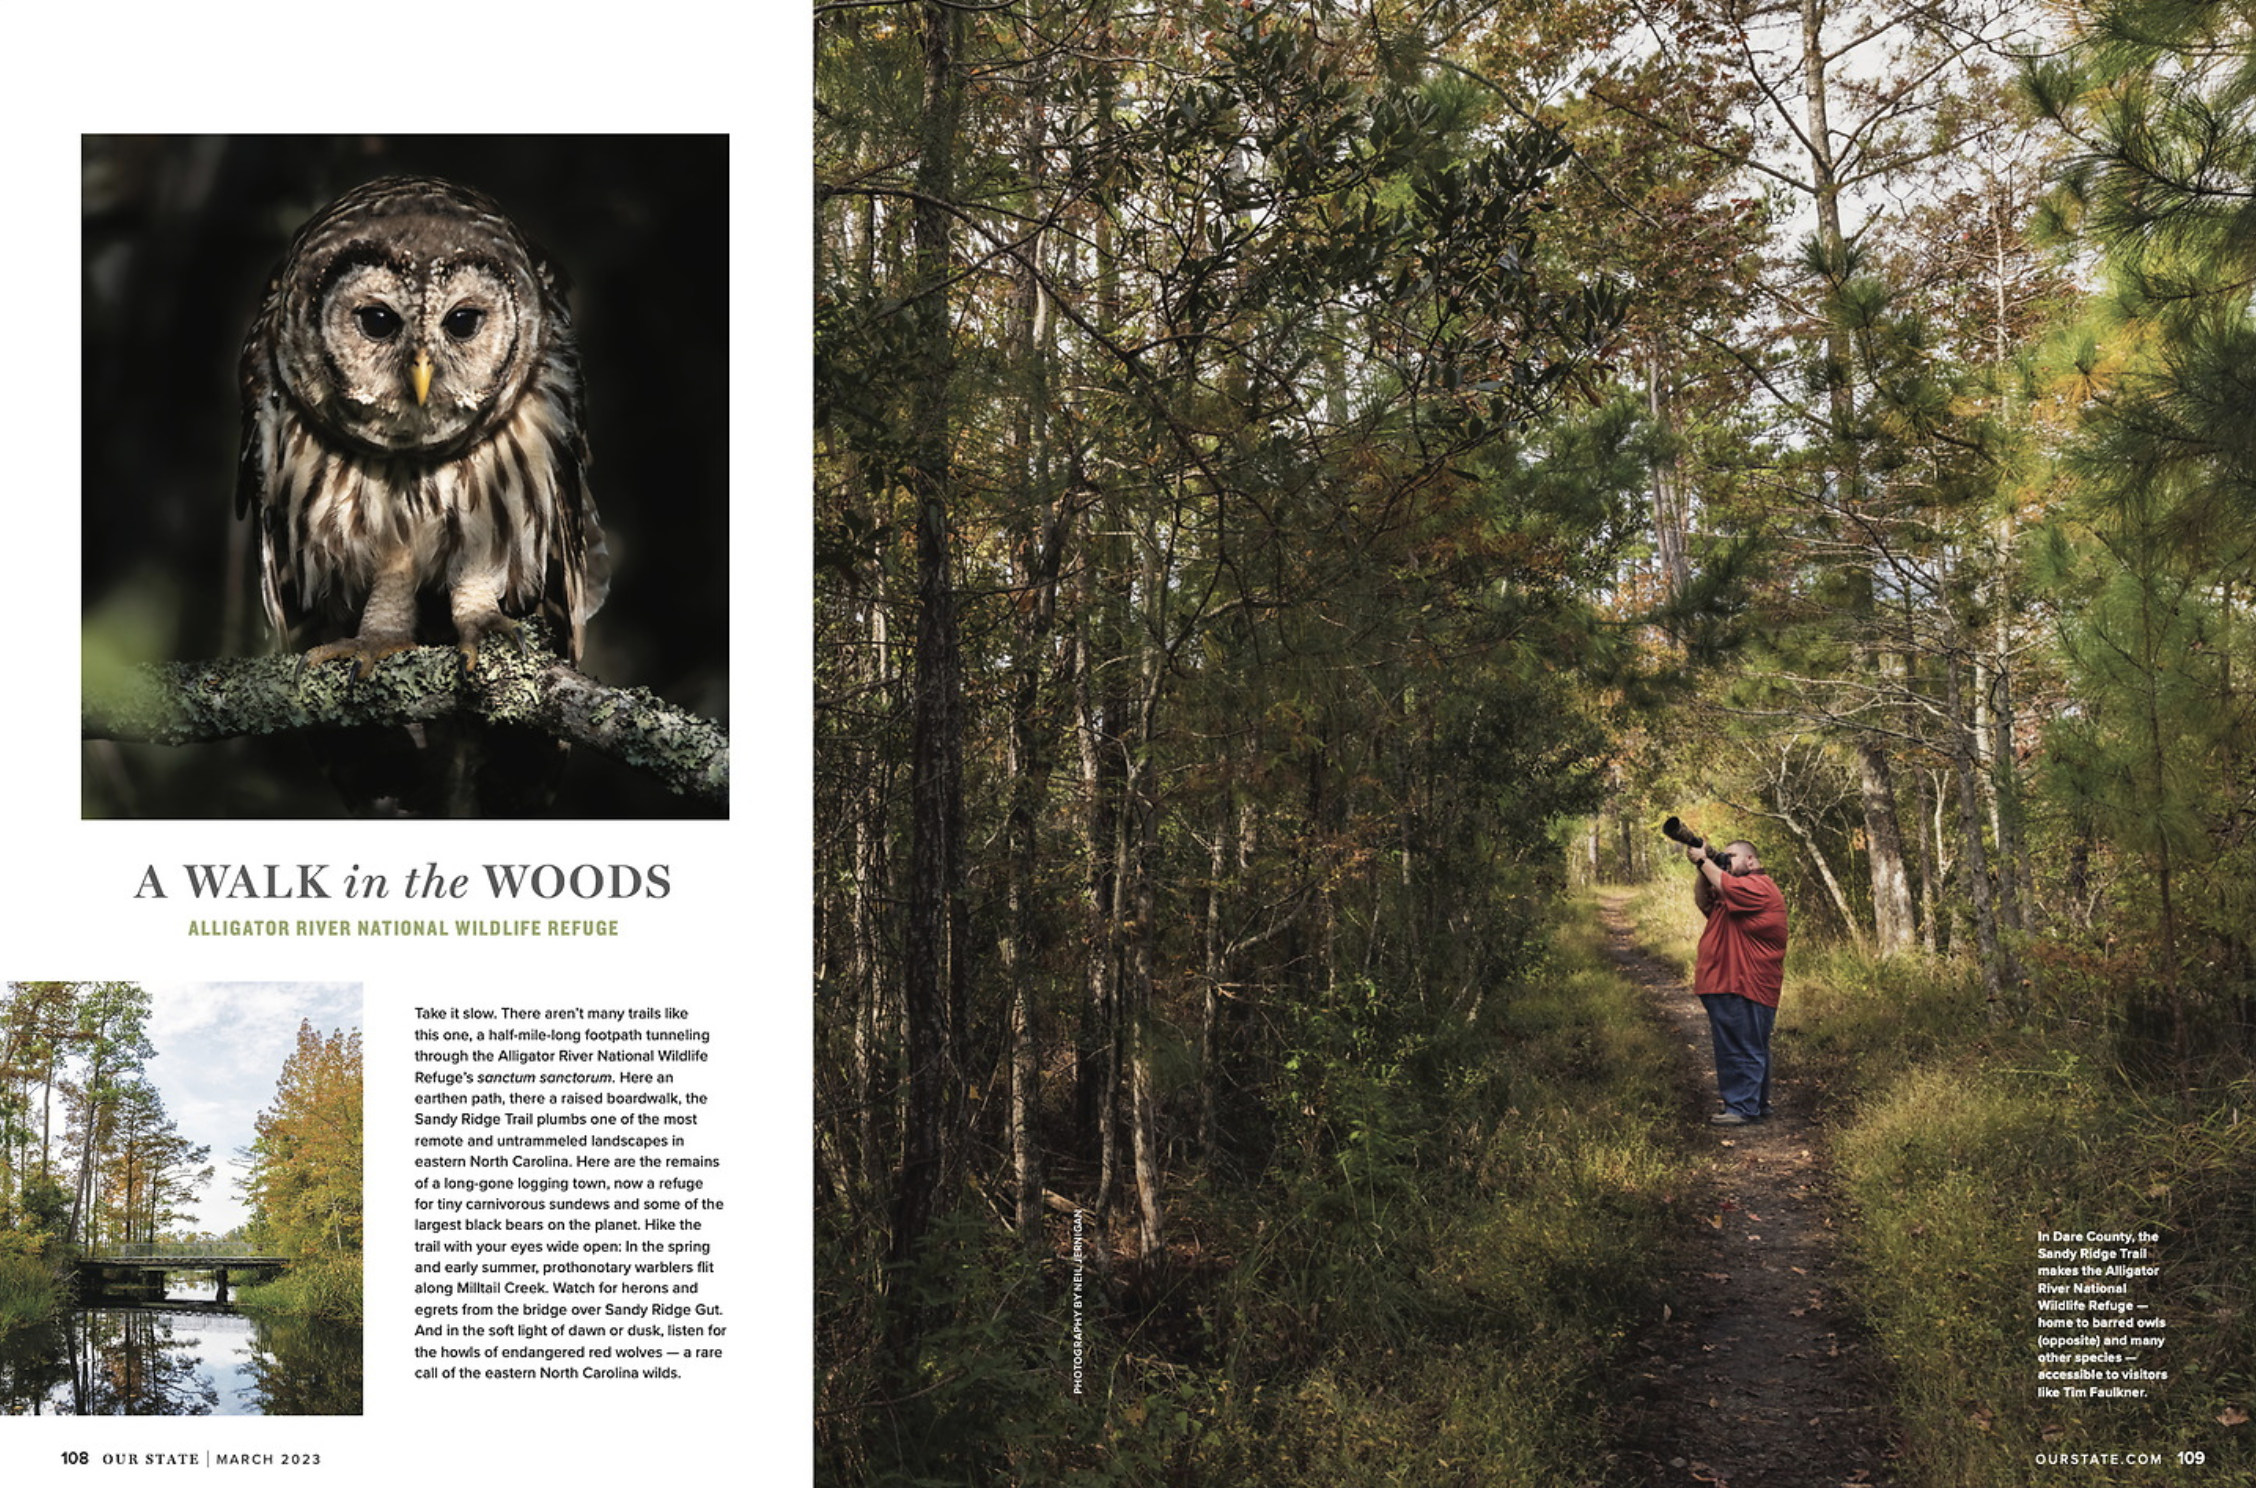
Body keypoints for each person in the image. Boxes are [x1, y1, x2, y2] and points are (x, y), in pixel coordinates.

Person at [1685, 837, 1789, 1125]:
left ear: (1751, 861)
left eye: (1732, 856)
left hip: (1743, 983)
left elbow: (1726, 885)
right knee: (1748, 1044)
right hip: (1731, 983)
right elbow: (1704, 900)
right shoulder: (1734, 894)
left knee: (1739, 1047)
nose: (1726, 861)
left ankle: (1742, 1107)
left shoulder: (1758, 887)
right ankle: (1756, 1103)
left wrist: (1704, 861)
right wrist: (1702, 868)